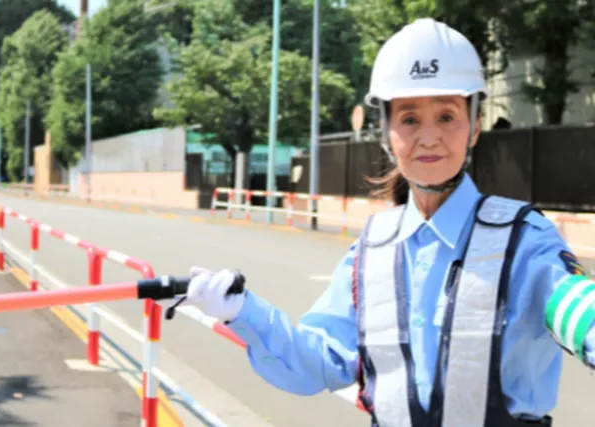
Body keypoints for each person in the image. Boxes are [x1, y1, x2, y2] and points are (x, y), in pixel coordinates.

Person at [179, 18, 595, 427]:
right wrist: (242, 311)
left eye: (447, 116)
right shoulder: (371, 251)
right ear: (385, 130)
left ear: (473, 126)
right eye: (409, 118)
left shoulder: (524, 240)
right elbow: (318, 361)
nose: (428, 137)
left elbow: (575, 306)